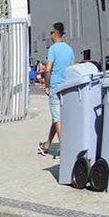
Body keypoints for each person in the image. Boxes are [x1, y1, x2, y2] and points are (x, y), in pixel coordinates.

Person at [40, 21, 75, 157]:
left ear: (55, 33)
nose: (51, 35)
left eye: (51, 32)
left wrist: (47, 85)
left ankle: (64, 149)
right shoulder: (69, 49)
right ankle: (47, 144)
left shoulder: (53, 49)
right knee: (57, 117)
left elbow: (48, 69)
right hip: (67, 86)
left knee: (58, 118)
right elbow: (72, 67)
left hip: (55, 86)